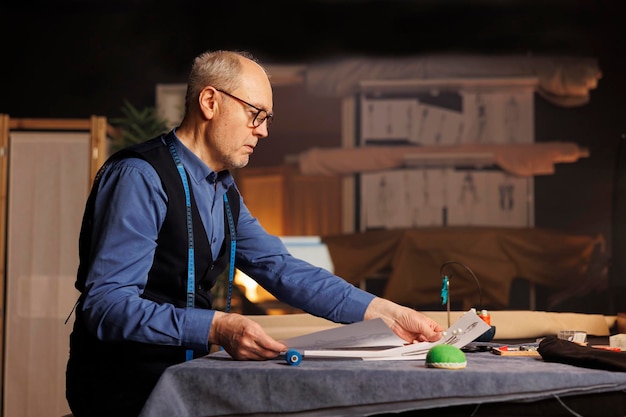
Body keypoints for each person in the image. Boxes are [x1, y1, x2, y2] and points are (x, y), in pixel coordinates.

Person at [65, 49, 444, 417]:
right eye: (255, 114)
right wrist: (216, 326)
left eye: (266, 119)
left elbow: (281, 269)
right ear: (210, 102)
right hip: (122, 389)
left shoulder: (223, 189)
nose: (262, 131)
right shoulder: (140, 176)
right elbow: (107, 307)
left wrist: (387, 314)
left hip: (182, 381)